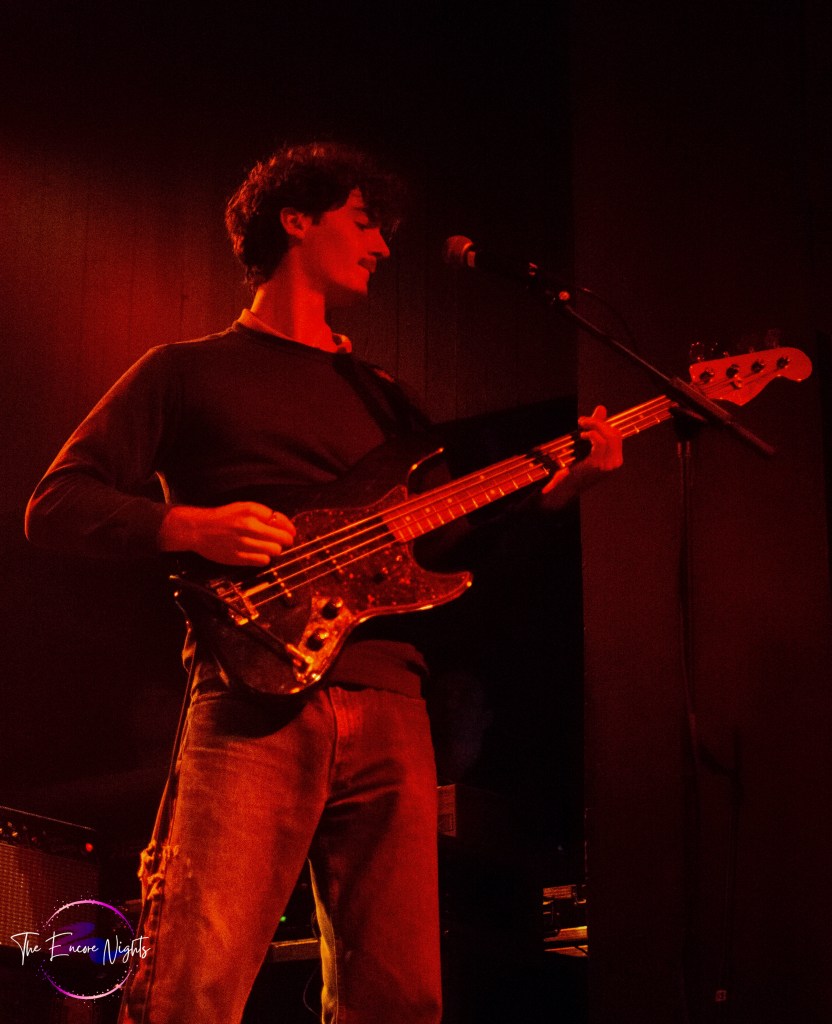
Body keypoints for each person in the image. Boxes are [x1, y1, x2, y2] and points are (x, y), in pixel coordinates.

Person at [25, 141, 622, 1023]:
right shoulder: (183, 369)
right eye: (365, 221)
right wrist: (189, 525)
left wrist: (557, 496)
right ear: (296, 220)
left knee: (402, 996)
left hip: (391, 699)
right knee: (197, 978)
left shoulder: (387, 399)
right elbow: (55, 504)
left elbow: (448, 553)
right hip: (250, 695)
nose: (383, 245)